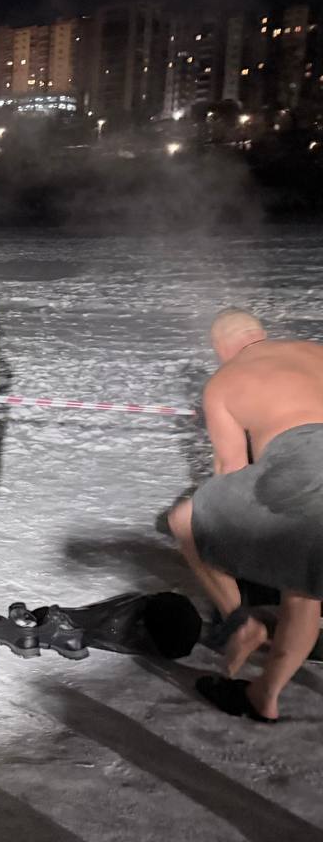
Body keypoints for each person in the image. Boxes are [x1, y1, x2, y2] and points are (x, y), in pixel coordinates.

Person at [167, 308, 323, 722]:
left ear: (222, 347)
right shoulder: (314, 351)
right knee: (305, 584)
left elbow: (230, 471)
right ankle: (262, 696)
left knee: (186, 520)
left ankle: (241, 621)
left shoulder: (226, 379)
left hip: (303, 467)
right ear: (260, 333)